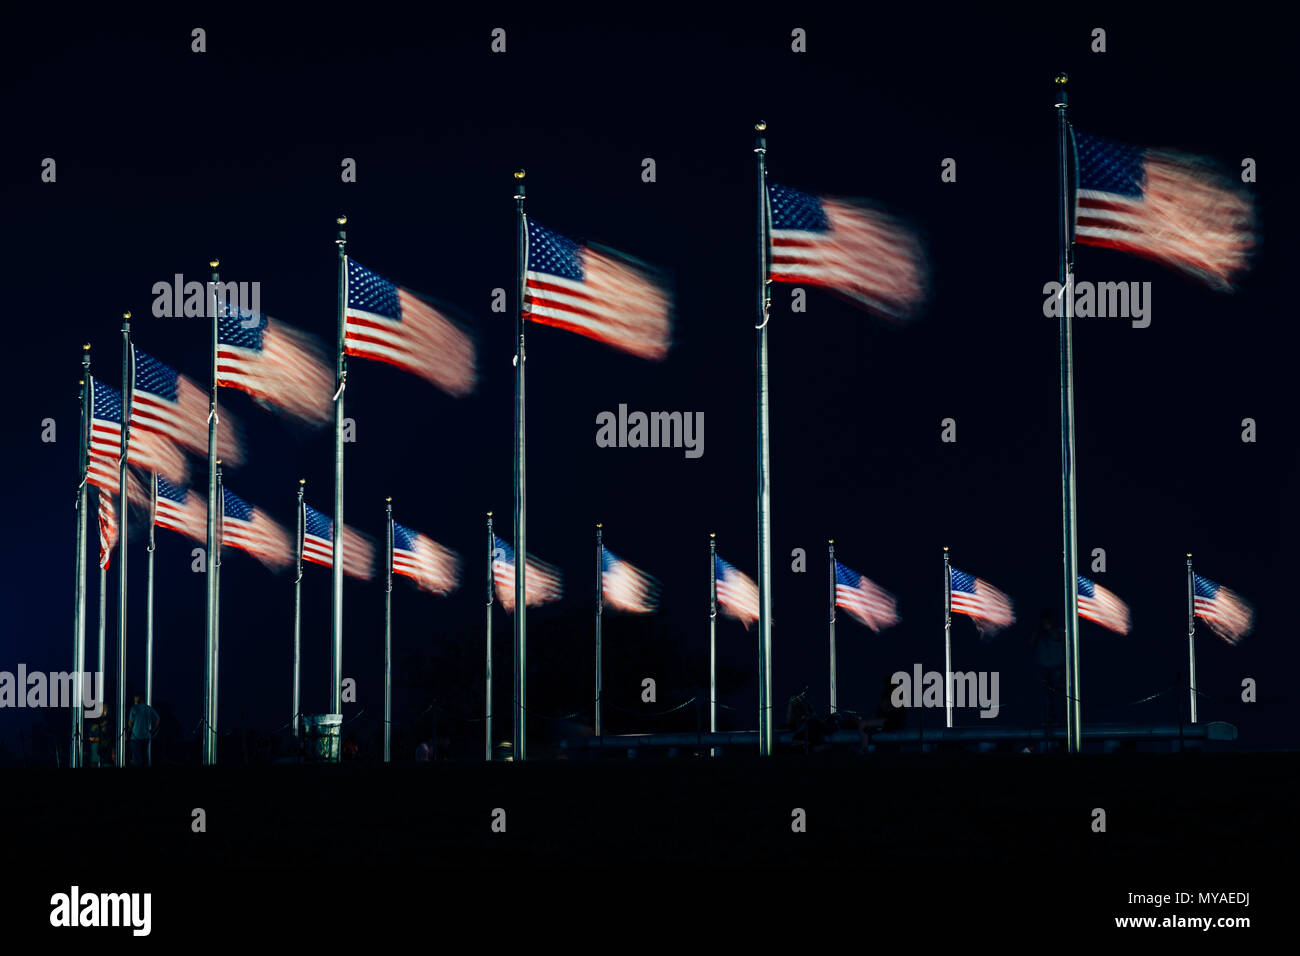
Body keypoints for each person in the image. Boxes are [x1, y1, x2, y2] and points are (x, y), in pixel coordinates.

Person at [126, 695, 160, 767]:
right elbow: (157, 719)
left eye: (135, 699)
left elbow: (130, 723)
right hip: (146, 736)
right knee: (145, 757)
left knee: (136, 758)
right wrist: (153, 730)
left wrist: (129, 730)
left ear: (139, 699)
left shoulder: (134, 708)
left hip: (135, 736)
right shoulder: (149, 708)